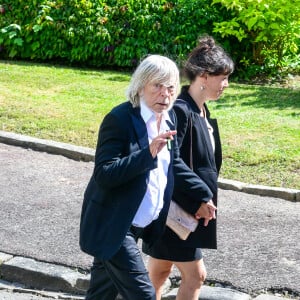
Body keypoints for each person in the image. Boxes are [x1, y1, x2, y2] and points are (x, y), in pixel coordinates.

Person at [79, 54, 216, 300]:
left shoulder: (169, 118)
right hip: (115, 225)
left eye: (171, 87)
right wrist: (147, 153)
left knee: (100, 295)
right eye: (157, 86)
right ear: (141, 85)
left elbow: (173, 164)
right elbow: (104, 173)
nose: (165, 94)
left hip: (142, 224)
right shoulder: (120, 119)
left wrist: (202, 195)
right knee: (144, 295)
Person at [143, 36, 234, 300]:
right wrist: (200, 196)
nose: (226, 85)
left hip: (181, 210)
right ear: (204, 76)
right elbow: (170, 159)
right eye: (223, 78)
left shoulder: (200, 110)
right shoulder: (180, 110)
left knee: (158, 272)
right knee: (196, 276)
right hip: (177, 207)